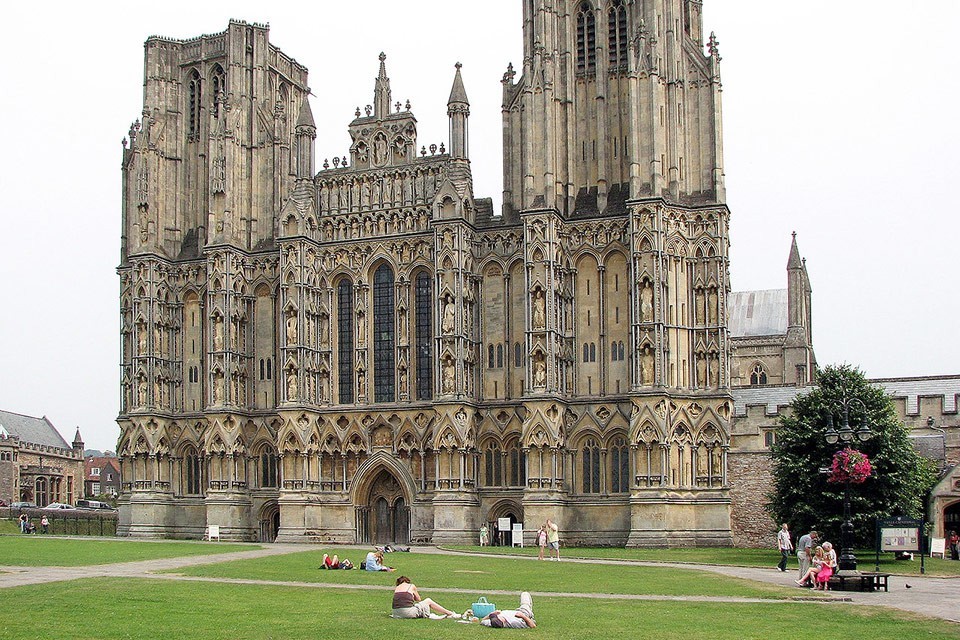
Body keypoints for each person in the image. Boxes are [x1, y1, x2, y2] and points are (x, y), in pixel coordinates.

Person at [391, 576, 460, 619]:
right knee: (428, 601)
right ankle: (449, 613)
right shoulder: (411, 586)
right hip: (407, 613)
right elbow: (418, 599)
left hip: (395, 613)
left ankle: (448, 613)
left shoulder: (397, 588)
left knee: (416, 606)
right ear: (407, 581)